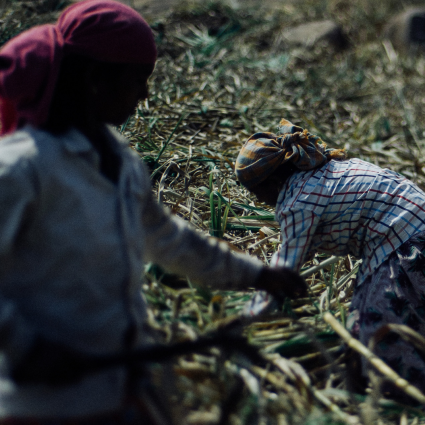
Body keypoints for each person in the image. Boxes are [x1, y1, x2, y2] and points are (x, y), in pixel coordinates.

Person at [0, 2, 307, 423]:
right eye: (137, 80)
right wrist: (25, 347)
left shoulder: (120, 161)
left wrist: (256, 275)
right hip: (46, 405)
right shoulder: (23, 167)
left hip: (122, 387)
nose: (145, 95)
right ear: (95, 79)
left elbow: (168, 239)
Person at [235, 118, 425, 402]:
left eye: (256, 194)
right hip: (407, 228)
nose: (260, 202)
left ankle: (409, 396)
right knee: (367, 315)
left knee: (376, 331)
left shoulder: (297, 201)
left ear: (272, 182)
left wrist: (247, 318)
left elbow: (284, 267)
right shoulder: (323, 171)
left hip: (402, 238)